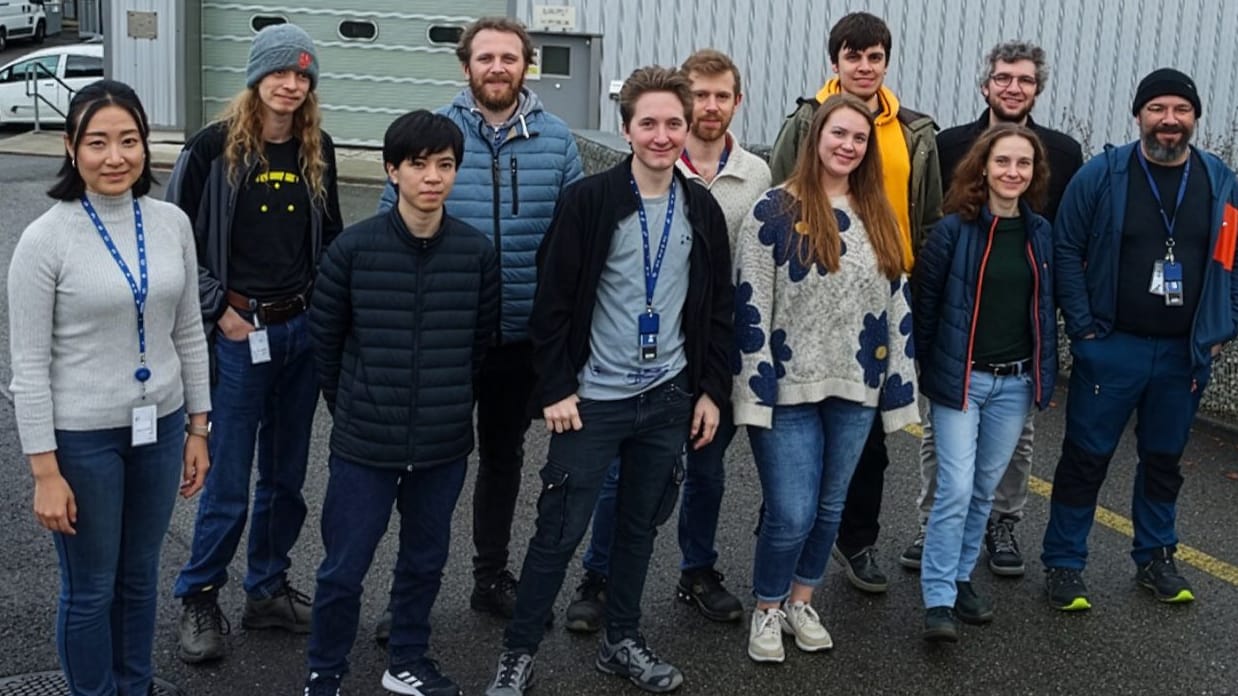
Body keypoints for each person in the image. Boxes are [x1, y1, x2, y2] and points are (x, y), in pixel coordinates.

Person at [484, 65, 733, 696]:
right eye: (648, 122)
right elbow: (552, 304)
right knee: (558, 530)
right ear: (626, 130)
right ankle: (517, 653)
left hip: (668, 398)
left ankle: (623, 641)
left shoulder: (700, 207)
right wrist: (556, 389)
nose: (661, 134)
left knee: (638, 527)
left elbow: (716, 310)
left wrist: (709, 390)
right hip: (592, 401)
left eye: (672, 123)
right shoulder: (590, 202)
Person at [374, 17, 582, 632]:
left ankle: (490, 577)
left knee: (502, 460)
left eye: (510, 57)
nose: (498, 67)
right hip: (441, 338)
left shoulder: (557, 140)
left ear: (527, 66)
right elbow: (390, 231)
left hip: (519, 338)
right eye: (486, 57)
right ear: (465, 66)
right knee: (424, 465)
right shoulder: (435, 135)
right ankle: (405, 597)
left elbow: (572, 244)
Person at [9, 79, 211, 695]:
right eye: (98, 142)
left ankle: (136, 684)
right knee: (91, 587)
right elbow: (28, 366)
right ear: (71, 148)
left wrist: (199, 426)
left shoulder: (171, 221)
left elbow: (189, 332)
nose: (115, 156)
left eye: (129, 140)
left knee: (140, 576)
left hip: (163, 425)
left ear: (146, 146)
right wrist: (45, 471)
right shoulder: (45, 239)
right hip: (82, 439)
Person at [564, 48, 771, 633]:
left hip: (711, 348)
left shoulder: (755, 174)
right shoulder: (649, 164)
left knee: (707, 470)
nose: (709, 106)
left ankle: (697, 571)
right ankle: (597, 577)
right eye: (698, 95)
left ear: (736, 101)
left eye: (720, 95)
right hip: (633, 355)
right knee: (619, 473)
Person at [302, 110, 498, 696]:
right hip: (365, 444)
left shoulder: (476, 253)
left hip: (442, 444)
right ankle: (325, 670)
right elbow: (326, 347)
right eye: (418, 164)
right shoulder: (353, 251)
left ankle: (406, 659)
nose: (432, 177)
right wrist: (358, 408)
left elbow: (479, 347)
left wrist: (445, 404)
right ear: (392, 171)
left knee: (424, 561)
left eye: (445, 165)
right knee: (343, 568)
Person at [166, 22, 342, 663]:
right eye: (279, 73)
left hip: (299, 332)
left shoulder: (313, 147)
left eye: (302, 76)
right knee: (229, 481)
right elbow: (173, 242)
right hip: (239, 335)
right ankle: (199, 594)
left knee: (287, 477)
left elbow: (330, 244)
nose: (291, 85)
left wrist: (324, 312)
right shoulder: (213, 149)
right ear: (256, 78)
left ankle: (266, 589)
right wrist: (218, 312)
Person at [1042, 69, 1238, 610]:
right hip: (1112, 345)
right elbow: (1065, 250)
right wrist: (1083, 329)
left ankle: (1156, 556)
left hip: (1185, 353)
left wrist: (1224, 330)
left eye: (1180, 109)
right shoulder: (1103, 175)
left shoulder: (1221, 181)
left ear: (1195, 117)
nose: (1169, 120)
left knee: (1164, 458)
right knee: (1085, 457)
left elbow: (1233, 260)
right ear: (1139, 115)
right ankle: (1064, 563)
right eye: (1158, 109)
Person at [735, 93, 918, 663]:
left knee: (831, 509)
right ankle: (767, 609)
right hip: (786, 387)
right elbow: (750, 308)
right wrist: (753, 389)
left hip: (856, 386)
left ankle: (801, 601)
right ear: (815, 139)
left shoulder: (879, 215)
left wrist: (899, 388)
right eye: (838, 134)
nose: (848, 146)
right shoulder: (771, 213)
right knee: (791, 511)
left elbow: (898, 307)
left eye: (859, 139)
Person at [769, 11, 942, 593]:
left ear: (886, 63)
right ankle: (782, 544)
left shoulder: (915, 132)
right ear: (835, 63)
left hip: (884, 290)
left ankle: (856, 541)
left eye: (874, 57)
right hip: (811, 294)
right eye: (853, 56)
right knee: (795, 432)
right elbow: (778, 200)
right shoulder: (805, 122)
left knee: (866, 438)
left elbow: (931, 217)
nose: (864, 67)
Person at [901, 41, 1083, 577]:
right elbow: (933, 223)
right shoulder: (948, 143)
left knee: (1017, 438)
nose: (1013, 88)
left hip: (1020, 322)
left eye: (1024, 80)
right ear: (986, 85)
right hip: (960, 321)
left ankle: (1002, 522)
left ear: (1037, 88)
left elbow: (1067, 240)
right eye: (1003, 78)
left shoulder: (1064, 153)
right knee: (941, 437)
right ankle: (934, 520)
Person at [913, 123, 1057, 642]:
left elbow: (1042, 308)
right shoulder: (953, 230)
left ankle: (959, 576)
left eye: (1023, 164)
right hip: (962, 382)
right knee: (953, 487)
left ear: (1033, 173)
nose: (1012, 172)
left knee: (983, 491)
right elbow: (925, 308)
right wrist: (931, 375)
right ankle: (937, 599)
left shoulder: (1041, 233)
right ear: (983, 168)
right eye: (1002, 163)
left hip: (1013, 385)